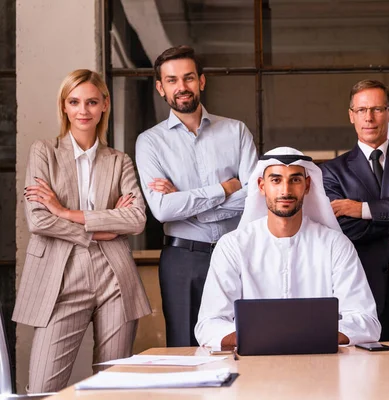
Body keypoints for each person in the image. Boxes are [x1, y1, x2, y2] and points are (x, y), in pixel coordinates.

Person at [13, 69, 151, 392]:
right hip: (60, 275)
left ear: (105, 105)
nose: (83, 110)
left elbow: (136, 219)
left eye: (91, 102)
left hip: (114, 276)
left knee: (112, 388)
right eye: (74, 102)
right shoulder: (43, 152)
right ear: (64, 106)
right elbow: (38, 220)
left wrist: (64, 212)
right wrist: (98, 229)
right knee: (43, 389)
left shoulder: (119, 161)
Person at [195, 147, 381, 347]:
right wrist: (272, 337)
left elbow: (367, 323)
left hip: (322, 369)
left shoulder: (335, 245)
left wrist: (299, 336)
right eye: (276, 180)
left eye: (295, 180)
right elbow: (208, 326)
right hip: (254, 370)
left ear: (307, 185)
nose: (285, 190)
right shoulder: (233, 246)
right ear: (261, 185)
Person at [135, 45, 258, 347]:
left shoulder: (236, 131)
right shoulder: (150, 142)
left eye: (188, 78)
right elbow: (163, 210)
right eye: (172, 80)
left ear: (201, 81)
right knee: (184, 348)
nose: (182, 87)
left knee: (248, 341)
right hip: (183, 260)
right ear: (161, 88)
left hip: (236, 253)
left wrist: (186, 201)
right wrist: (224, 189)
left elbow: (255, 196)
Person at [320, 80, 389, 341]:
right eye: (361, 110)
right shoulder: (331, 171)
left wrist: (361, 209)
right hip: (361, 287)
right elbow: (344, 228)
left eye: (377, 109)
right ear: (351, 115)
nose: (369, 118)